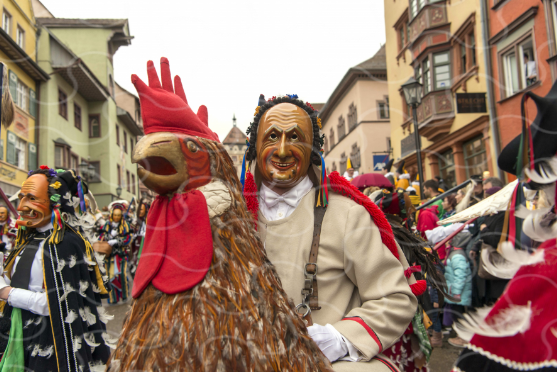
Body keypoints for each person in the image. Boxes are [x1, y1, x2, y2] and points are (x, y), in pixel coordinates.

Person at [243, 94, 416, 371]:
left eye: (296, 137)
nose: (284, 150)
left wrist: (340, 338)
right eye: (272, 136)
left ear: (312, 149)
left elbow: (395, 297)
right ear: (254, 146)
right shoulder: (233, 218)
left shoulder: (347, 215)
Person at [0, 167, 111, 371]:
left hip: (49, 341)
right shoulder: (28, 238)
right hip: (17, 334)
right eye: (22, 197)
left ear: (56, 204)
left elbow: (55, 305)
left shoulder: (66, 243)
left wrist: (6, 292)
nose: (22, 206)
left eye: (32, 198)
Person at [98, 202, 131, 304]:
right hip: (109, 256)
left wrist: (117, 241)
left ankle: (124, 296)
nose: (116, 217)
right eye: (115, 215)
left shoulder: (125, 225)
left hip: (121, 255)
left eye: (118, 215)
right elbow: (101, 238)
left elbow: (128, 238)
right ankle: (113, 298)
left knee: (122, 276)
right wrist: (109, 236)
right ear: (112, 215)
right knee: (110, 277)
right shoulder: (106, 225)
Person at [443, 232, 473, 348]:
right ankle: (460, 335)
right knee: (457, 314)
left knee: (458, 315)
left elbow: (460, 276)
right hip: (456, 292)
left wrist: (456, 293)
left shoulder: (457, 256)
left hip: (458, 294)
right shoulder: (457, 254)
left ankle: (463, 338)